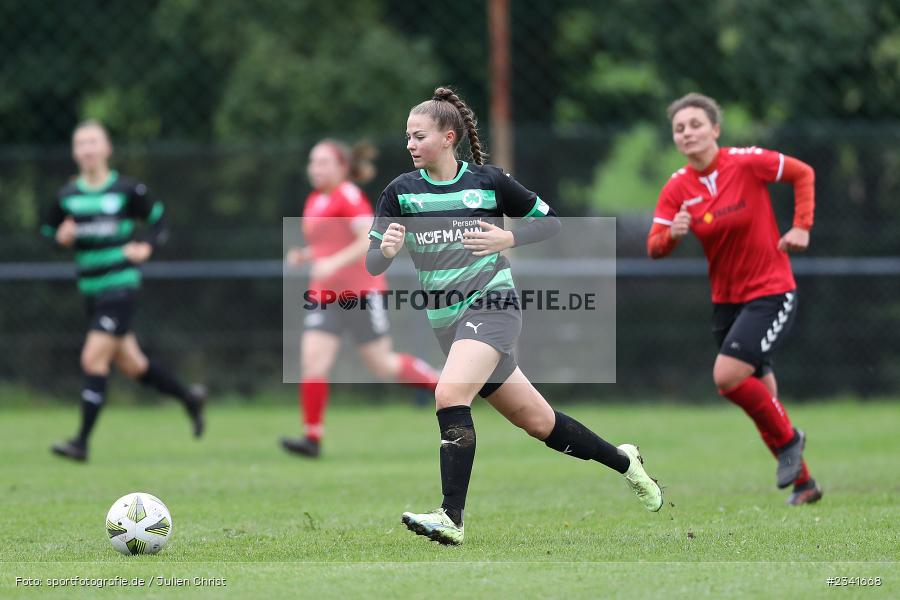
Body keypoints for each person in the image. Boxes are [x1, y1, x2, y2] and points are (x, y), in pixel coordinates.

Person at [366, 86, 663, 546]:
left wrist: (509, 240)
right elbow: (372, 263)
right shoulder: (399, 193)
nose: (409, 144)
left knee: (449, 394)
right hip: (449, 325)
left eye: (418, 135)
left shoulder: (488, 182)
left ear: (448, 137)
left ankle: (451, 516)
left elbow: (550, 221)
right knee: (540, 424)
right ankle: (625, 461)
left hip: (493, 306)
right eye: (407, 136)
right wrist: (384, 252)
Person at [647, 93, 822, 505]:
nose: (687, 133)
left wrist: (802, 226)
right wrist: (673, 233)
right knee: (764, 398)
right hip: (727, 302)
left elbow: (803, 173)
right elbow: (654, 246)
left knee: (727, 377)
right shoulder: (678, 187)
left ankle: (792, 439)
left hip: (771, 290)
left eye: (695, 124)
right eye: (679, 128)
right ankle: (805, 484)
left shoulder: (744, 162)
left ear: (715, 130)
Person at [41, 120, 205, 462]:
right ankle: (189, 398)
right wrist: (60, 238)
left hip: (121, 287)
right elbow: (47, 232)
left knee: (92, 358)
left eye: (93, 142)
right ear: (74, 152)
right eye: (80, 144)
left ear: (107, 148)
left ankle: (81, 443)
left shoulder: (128, 190)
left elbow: (160, 221)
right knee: (133, 365)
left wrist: (146, 246)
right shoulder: (67, 197)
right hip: (91, 290)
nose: (87, 149)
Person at [280, 139, 440, 458]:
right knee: (313, 362)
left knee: (383, 365)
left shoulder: (349, 196)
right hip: (325, 295)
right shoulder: (314, 200)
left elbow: (369, 237)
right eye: (313, 162)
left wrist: (332, 263)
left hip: (361, 294)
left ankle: (445, 385)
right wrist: (307, 255)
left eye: (323, 162)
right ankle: (312, 439)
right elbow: (329, 245)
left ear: (342, 167)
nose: (315, 169)